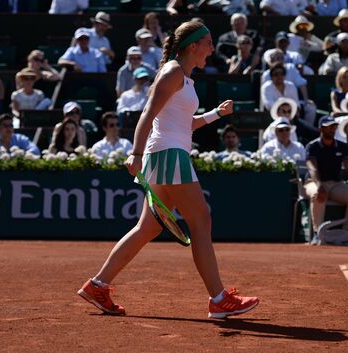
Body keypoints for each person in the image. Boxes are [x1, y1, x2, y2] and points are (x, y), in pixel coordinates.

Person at [77, 21, 259, 318]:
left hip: (167, 153)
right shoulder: (173, 72)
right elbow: (148, 113)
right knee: (201, 219)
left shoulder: (185, 79)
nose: (212, 49)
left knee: (147, 227)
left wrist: (216, 114)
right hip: (168, 154)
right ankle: (218, 298)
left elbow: (184, 123)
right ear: (192, 46)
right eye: (208, 42)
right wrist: (135, 153)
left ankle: (98, 285)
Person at [305, 116, 348, 245]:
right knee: (318, 194)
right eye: (329, 127)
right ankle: (317, 235)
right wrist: (319, 185)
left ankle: (347, 233)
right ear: (321, 129)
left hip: (335, 184)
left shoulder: (342, 147)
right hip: (313, 182)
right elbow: (312, 168)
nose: (332, 129)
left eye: (334, 127)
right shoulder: (312, 146)